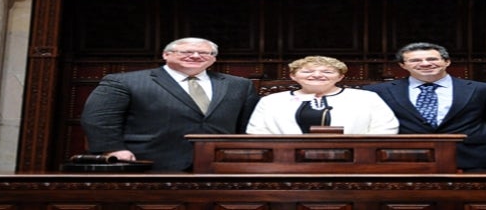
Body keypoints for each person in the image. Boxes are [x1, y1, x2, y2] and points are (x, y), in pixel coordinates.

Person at [80, 37, 259, 172]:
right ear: (166, 55)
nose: (196, 56)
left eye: (205, 53)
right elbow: (99, 119)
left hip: (219, 166)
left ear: (214, 58)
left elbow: (248, 125)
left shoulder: (239, 85)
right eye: (186, 52)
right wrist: (112, 149)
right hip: (147, 163)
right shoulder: (125, 82)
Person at [364, 42, 486, 172]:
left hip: (472, 160)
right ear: (402, 65)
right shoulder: (379, 91)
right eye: (415, 60)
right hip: (405, 159)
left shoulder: (484, 90)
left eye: (432, 59)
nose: (425, 64)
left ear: (447, 62)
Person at [246, 55, 399, 134]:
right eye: (307, 71)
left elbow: (385, 128)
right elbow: (257, 131)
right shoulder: (272, 101)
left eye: (327, 72)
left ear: (340, 77)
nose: (317, 75)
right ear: (293, 76)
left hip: (355, 161)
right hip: (285, 161)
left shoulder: (366, 98)